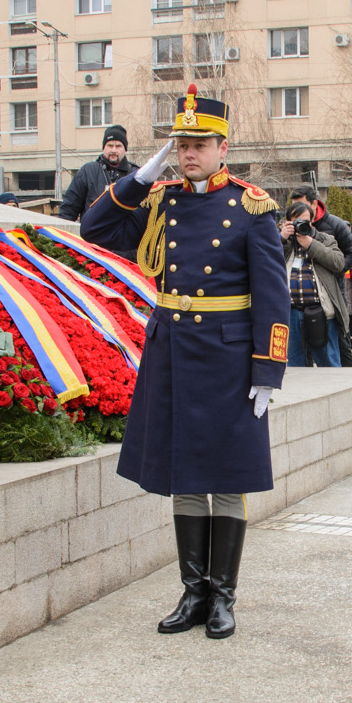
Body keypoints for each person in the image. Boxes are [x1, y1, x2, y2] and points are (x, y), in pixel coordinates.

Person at [82, 85, 286, 641]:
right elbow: (94, 229)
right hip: (174, 349)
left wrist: (267, 371)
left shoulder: (252, 206)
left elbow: (273, 297)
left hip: (227, 355)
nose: (189, 152)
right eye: (181, 144)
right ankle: (193, 591)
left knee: (228, 476)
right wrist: (141, 176)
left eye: (200, 143)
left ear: (223, 147)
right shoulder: (161, 199)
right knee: (185, 476)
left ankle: (223, 595)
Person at [281, 200, 346, 368]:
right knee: (294, 365)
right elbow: (265, 260)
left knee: (329, 363)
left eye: (306, 221)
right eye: (296, 222)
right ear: (288, 222)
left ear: (312, 221)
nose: (302, 226)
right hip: (290, 311)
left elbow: (339, 263)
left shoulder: (325, 239)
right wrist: (281, 238)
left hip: (320, 311)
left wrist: (312, 245)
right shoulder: (283, 242)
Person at [58, 125, 133, 229]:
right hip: (90, 239)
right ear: (104, 148)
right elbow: (69, 209)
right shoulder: (87, 171)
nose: (114, 150)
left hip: (123, 241)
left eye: (118, 146)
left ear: (125, 149)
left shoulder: (134, 174)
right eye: (110, 145)